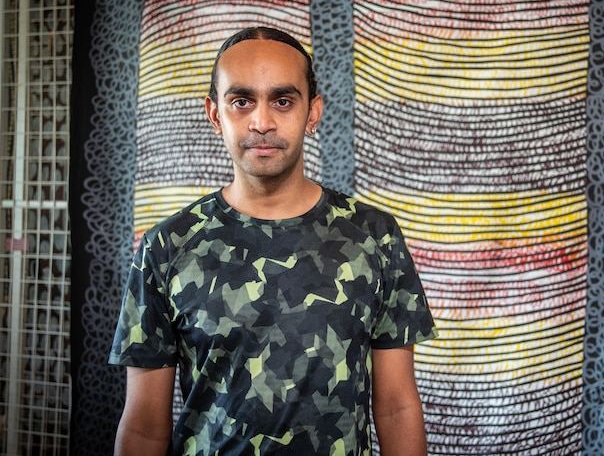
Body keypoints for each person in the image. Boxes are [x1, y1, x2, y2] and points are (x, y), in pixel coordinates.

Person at [109, 26, 437, 455]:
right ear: (214, 114)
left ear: (313, 112)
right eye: (241, 101)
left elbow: (396, 407)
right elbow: (143, 429)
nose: (261, 122)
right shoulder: (167, 247)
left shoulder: (375, 237)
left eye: (283, 100)